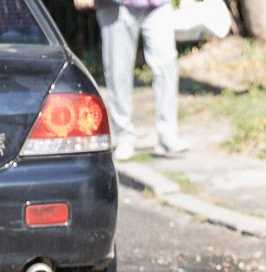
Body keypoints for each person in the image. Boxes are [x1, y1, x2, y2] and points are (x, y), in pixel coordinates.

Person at [74, 0, 187, 160]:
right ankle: (123, 136)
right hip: (115, 5)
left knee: (167, 64)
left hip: (157, 4)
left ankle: (168, 134)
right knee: (118, 70)